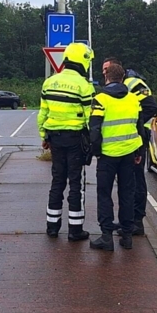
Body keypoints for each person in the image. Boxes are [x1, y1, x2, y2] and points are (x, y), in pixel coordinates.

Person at [38, 42, 95, 241]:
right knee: (76, 183)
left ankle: (52, 227)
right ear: (82, 61)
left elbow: (43, 114)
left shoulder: (49, 82)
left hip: (54, 138)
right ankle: (75, 229)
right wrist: (93, 142)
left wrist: (44, 136)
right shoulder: (84, 86)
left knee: (57, 181)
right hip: (75, 140)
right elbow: (90, 118)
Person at [89, 61, 144, 251]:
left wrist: (96, 152)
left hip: (107, 155)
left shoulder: (101, 99)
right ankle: (127, 236)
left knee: (104, 194)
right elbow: (139, 128)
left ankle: (106, 237)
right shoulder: (133, 99)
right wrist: (138, 152)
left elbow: (94, 129)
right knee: (127, 194)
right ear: (123, 79)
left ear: (107, 77)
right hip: (129, 154)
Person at [124, 68, 157, 236]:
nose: (104, 73)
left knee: (137, 180)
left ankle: (137, 221)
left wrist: (134, 124)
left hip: (139, 138)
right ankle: (131, 220)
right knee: (130, 180)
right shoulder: (125, 84)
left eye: (107, 69)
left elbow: (151, 106)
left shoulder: (133, 83)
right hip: (131, 138)